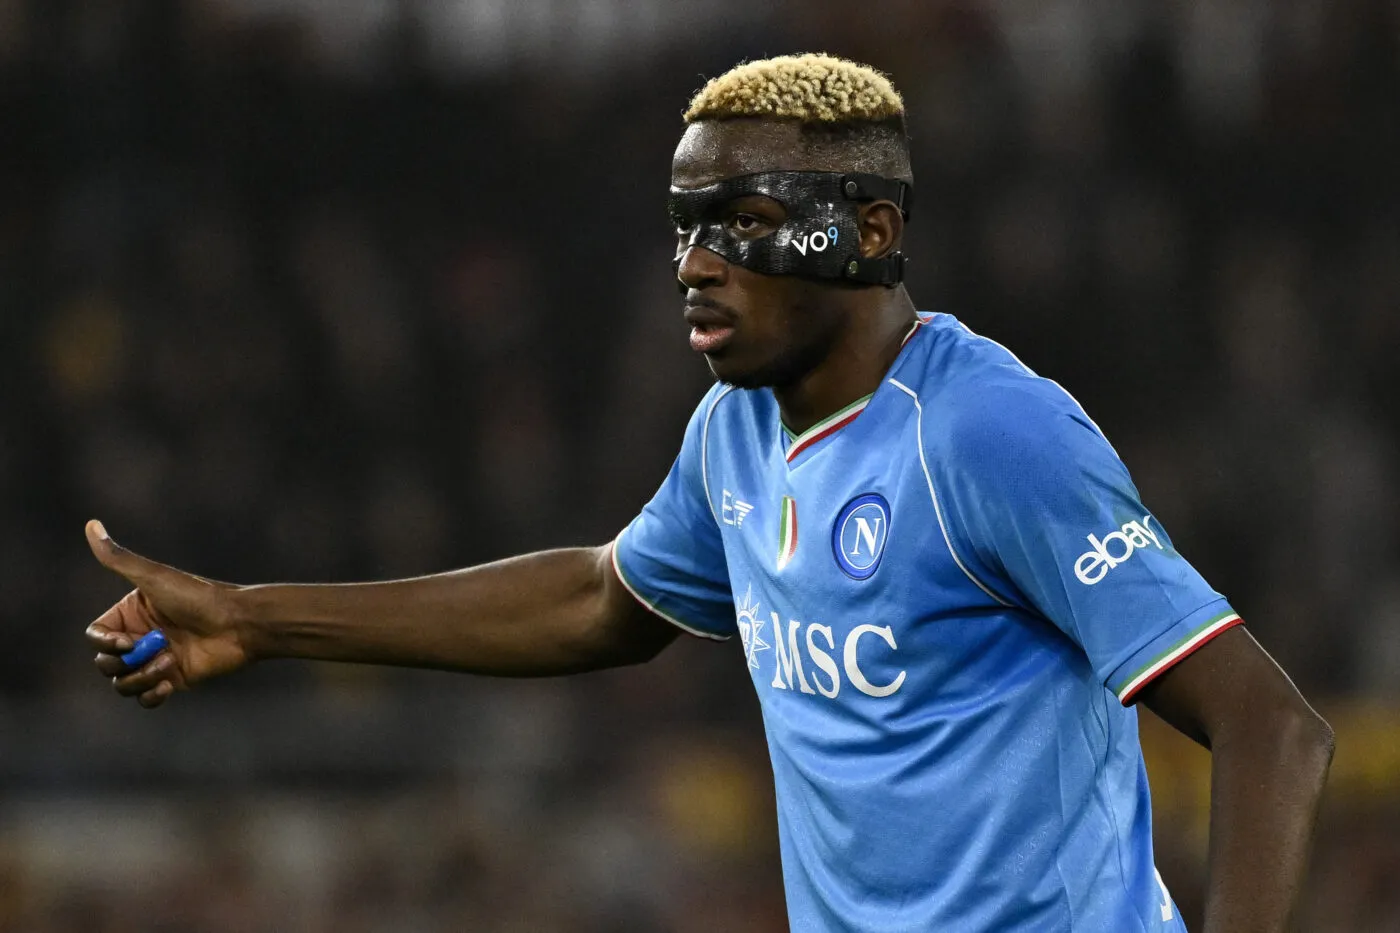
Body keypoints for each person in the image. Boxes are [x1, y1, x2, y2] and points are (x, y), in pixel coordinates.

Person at [84, 54, 1333, 932]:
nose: (693, 263)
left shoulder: (987, 437)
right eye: (683, 223)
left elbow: (1273, 728)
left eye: (741, 220)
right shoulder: (735, 434)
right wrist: (253, 618)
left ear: (871, 233)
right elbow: (597, 603)